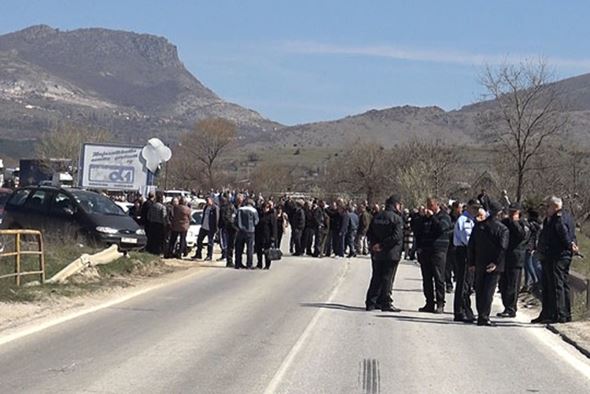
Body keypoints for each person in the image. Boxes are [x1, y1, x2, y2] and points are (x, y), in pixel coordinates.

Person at [532, 196, 578, 324]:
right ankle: (560, 313)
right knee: (562, 284)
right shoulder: (568, 216)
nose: (546, 209)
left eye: (548, 206)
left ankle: (558, 315)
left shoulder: (557, 219)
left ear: (555, 206)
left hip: (556, 256)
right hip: (562, 255)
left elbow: (563, 232)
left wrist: (570, 245)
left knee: (555, 285)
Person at [468, 200, 509, 327]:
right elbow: (503, 248)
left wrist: (471, 262)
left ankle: (481, 313)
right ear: (499, 213)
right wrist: (496, 263)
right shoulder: (503, 229)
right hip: (494, 265)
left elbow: (471, 245)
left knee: (479, 289)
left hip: (480, 262)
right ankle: (484, 316)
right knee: (488, 291)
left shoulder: (479, 226)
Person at [365, 195, 404, 312]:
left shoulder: (377, 216)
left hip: (377, 252)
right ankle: (386, 302)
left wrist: (375, 245)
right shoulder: (396, 219)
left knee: (376, 276)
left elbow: (369, 232)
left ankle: (371, 302)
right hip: (391, 253)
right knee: (387, 278)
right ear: (396, 205)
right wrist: (382, 245)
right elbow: (396, 237)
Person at [414, 197, 453, 313]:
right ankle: (429, 303)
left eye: (431, 205)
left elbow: (441, 228)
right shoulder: (425, 218)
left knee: (438, 277)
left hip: (438, 251)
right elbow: (417, 231)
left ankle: (440, 303)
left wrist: (432, 217)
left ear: (437, 205)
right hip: (425, 250)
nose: (429, 207)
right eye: (427, 205)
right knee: (427, 278)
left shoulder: (444, 217)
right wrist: (420, 218)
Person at [497, 202, 529, 318]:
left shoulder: (523, 224)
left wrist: (515, 222)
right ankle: (506, 306)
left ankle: (511, 308)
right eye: (510, 211)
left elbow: (521, 235)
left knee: (512, 285)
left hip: (516, 259)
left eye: (514, 212)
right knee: (503, 285)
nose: (511, 214)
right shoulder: (505, 223)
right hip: (504, 258)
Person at [452, 199, 480, 323]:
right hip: (464, 252)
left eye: (478, 208)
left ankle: (464, 309)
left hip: (467, 252)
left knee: (467, 283)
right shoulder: (465, 220)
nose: (476, 210)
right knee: (463, 283)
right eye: (474, 208)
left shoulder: (473, 220)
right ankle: (461, 311)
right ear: (467, 207)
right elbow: (468, 239)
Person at [235, 198, 259, 269]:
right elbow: (256, 221)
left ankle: (238, 264)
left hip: (241, 231)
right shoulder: (254, 210)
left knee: (239, 248)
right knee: (249, 248)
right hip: (250, 231)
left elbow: (237, 219)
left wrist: (240, 226)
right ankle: (249, 264)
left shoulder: (240, 209)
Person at [192, 197, 218, 261]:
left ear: (212, 201)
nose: (207, 202)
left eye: (208, 201)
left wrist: (216, 228)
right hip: (203, 227)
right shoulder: (206, 207)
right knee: (199, 240)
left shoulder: (215, 208)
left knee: (210, 242)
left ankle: (209, 256)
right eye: (206, 201)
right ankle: (198, 254)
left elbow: (217, 218)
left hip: (210, 228)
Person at [522, 209, 542, 294]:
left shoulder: (532, 225)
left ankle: (535, 282)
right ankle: (527, 284)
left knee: (529, 265)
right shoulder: (538, 225)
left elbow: (530, 237)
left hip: (529, 247)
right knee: (527, 266)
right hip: (531, 247)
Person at [255, 202, 278, 269]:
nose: (265, 209)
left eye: (267, 207)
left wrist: (273, 237)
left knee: (267, 251)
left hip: (267, 237)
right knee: (259, 250)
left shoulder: (271, 216)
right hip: (259, 235)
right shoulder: (260, 215)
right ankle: (259, 264)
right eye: (264, 207)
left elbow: (274, 228)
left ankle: (267, 265)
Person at [220, 194, 238, 267]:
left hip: (230, 227)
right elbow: (227, 218)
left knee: (230, 245)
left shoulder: (230, 207)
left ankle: (231, 260)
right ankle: (229, 261)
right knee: (229, 245)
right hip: (230, 228)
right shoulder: (227, 207)